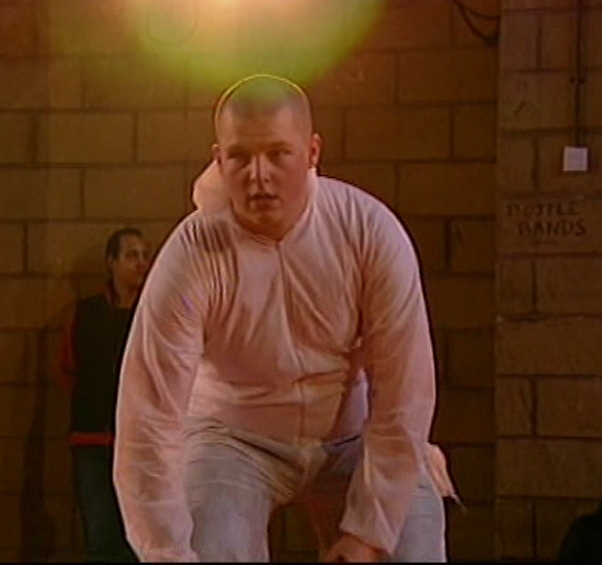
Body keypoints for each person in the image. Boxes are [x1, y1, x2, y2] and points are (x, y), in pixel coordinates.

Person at [113, 73, 442, 562]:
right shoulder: (193, 253)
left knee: (412, 542)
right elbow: (148, 415)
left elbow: (405, 389)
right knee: (212, 549)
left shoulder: (368, 230)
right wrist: (166, 553)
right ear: (218, 159)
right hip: (231, 437)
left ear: (311, 152)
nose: (258, 175)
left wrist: (371, 532)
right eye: (240, 157)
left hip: (350, 434)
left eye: (277, 154)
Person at [58, 227, 151, 562]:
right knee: (99, 535)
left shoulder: (155, 313)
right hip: (92, 441)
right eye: (131, 255)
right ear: (111, 263)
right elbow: (67, 367)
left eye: (145, 255)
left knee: (141, 537)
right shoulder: (86, 312)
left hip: (142, 443)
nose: (141, 263)